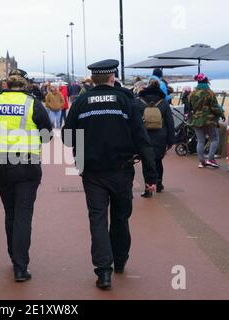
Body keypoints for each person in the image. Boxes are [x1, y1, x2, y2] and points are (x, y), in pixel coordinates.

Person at [62, 59, 157, 290]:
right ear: (112, 77)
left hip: (92, 171)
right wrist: (151, 176)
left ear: (93, 79)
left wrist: (86, 144)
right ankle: (120, 260)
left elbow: (67, 138)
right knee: (121, 217)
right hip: (122, 170)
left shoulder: (81, 101)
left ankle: (103, 272)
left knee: (97, 219)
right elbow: (142, 139)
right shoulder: (126, 100)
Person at [0, 68, 52, 282]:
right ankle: (21, 266)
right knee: (23, 215)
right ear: (25, 86)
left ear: (7, 85)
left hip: (1, 164)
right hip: (27, 165)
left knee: (10, 213)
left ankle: (13, 256)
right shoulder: (33, 104)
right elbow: (46, 135)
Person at [136, 80, 175, 198]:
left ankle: (148, 188)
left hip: (144, 136)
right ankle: (158, 183)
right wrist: (171, 140)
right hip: (160, 136)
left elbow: (135, 121)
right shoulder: (164, 102)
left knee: (146, 162)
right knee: (158, 161)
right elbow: (170, 122)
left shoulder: (139, 101)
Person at [188, 73, 223, 168]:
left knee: (200, 141)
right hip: (209, 120)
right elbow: (214, 107)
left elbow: (190, 107)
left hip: (196, 120)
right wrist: (221, 113)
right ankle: (211, 159)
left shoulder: (192, 93)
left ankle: (201, 161)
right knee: (214, 139)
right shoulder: (209, 92)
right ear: (206, 81)